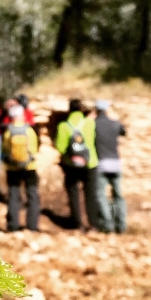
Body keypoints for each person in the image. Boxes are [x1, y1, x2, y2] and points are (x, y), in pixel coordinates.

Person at [55, 99, 99, 231]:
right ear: (81, 109)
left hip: (71, 164)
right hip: (90, 163)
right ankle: (93, 223)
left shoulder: (63, 126)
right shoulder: (90, 123)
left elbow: (60, 147)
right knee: (90, 193)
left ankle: (77, 222)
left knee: (73, 192)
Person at [2, 104, 40, 232]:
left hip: (12, 168)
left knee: (13, 195)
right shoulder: (29, 131)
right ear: (21, 115)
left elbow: (5, 149)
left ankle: (13, 226)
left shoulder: (8, 132)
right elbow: (34, 148)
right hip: (29, 168)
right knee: (32, 195)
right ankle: (32, 226)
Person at [94, 100, 127, 233]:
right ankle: (122, 225)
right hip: (116, 164)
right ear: (107, 110)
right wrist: (113, 115)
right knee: (118, 195)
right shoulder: (115, 124)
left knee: (101, 195)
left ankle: (108, 225)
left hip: (101, 164)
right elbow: (124, 131)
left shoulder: (94, 124)